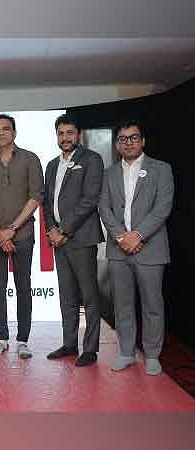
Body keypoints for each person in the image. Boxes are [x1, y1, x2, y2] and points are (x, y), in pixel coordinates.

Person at [99, 119, 174, 376]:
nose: (128, 142)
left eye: (133, 137)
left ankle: (152, 354)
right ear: (117, 144)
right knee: (122, 304)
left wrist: (138, 235)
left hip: (150, 249)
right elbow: (104, 208)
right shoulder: (108, 173)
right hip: (119, 250)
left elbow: (163, 207)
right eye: (123, 138)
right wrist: (122, 237)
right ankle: (126, 352)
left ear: (143, 141)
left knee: (153, 304)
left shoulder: (161, 169)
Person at [0, 114, 44, 359]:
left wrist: (12, 229)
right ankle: (1, 338)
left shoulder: (30, 159)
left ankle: (23, 340)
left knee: (23, 286)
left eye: (6, 129)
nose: (1, 133)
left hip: (23, 234)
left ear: (14, 133)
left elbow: (36, 196)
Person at [43, 114, 104, 367]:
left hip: (81, 238)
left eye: (70, 133)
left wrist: (64, 230)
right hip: (59, 240)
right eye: (61, 133)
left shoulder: (92, 160)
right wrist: (52, 230)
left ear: (78, 135)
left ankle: (90, 349)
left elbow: (90, 200)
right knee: (66, 294)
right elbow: (46, 202)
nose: (65, 138)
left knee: (89, 296)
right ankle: (70, 344)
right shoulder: (51, 165)